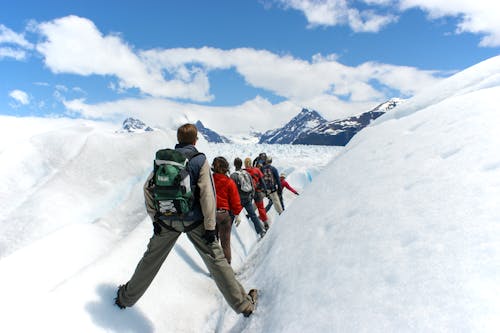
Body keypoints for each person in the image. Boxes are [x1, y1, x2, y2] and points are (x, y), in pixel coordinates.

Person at [115, 123, 257, 317]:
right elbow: (208, 195)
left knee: (150, 260)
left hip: (167, 220)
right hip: (195, 221)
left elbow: (147, 188)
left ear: (178, 139)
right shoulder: (199, 160)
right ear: (195, 140)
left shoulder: (165, 160)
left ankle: (125, 298)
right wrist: (209, 226)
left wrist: (155, 219)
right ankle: (244, 305)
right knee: (217, 261)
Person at [212, 156, 243, 265]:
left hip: (210, 214)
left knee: (213, 243)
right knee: (225, 243)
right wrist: (237, 213)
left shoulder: (209, 180)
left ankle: (216, 268)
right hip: (224, 215)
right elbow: (235, 200)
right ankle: (227, 268)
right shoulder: (229, 182)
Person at [231, 158, 266, 238]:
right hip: (247, 199)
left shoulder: (233, 176)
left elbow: (232, 190)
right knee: (253, 215)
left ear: (234, 165)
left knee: (232, 215)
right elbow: (252, 186)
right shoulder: (247, 173)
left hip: (238, 200)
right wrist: (251, 196)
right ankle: (261, 232)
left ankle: (229, 233)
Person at [244, 157, 270, 230]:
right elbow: (262, 181)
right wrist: (265, 191)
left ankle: (248, 220)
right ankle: (265, 224)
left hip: (248, 193)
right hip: (258, 192)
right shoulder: (257, 170)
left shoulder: (244, 172)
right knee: (261, 208)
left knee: (248, 207)